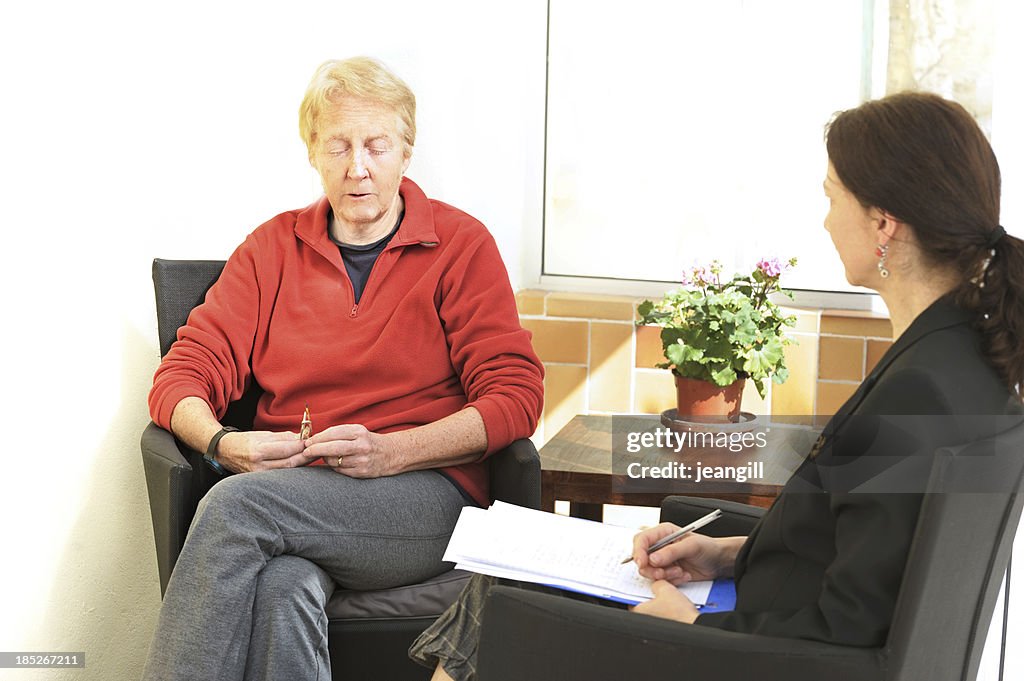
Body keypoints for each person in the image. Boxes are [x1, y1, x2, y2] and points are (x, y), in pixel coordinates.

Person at [409, 91, 1024, 680]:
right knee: (506, 582)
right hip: (763, 623)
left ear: (883, 223)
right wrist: (724, 553)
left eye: (833, 197)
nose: (826, 219)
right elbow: (856, 555)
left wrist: (685, 628)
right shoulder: (962, 360)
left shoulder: (923, 393)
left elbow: (842, 636)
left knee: (500, 596)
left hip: (744, 655)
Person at [141, 57, 544, 681]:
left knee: (233, 509)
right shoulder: (271, 250)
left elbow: (516, 395)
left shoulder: (461, 246)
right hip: (298, 491)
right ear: (313, 153)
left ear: (406, 152)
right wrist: (226, 441)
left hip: (424, 497)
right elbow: (180, 378)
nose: (358, 166)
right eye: (339, 145)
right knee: (285, 585)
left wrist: (396, 452)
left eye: (376, 145)